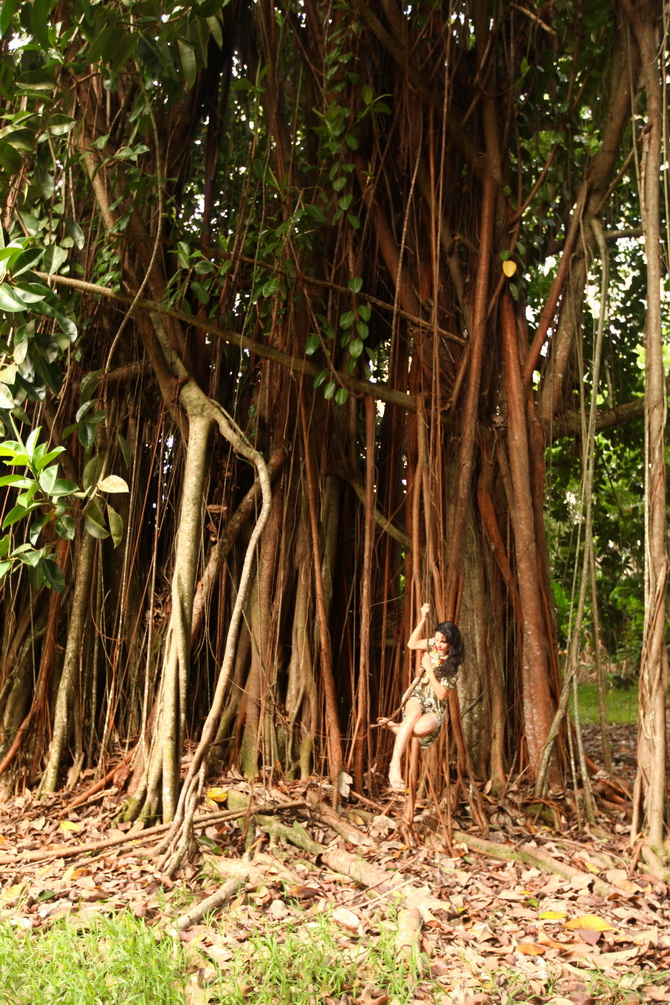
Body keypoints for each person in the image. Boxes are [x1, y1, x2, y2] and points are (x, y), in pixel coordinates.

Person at [387, 602, 465, 792]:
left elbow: (441, 694)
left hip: (435, 706)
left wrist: (429, 670)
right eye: (436, 639)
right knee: (413, 716)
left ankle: (400, 729)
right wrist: (422, 618)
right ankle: (394, 766)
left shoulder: (453, 666)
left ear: (452, 643)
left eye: (443, 641)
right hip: (419, 695)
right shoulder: (433, 646)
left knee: (421, 729)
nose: (437, 644)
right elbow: (412, 644)